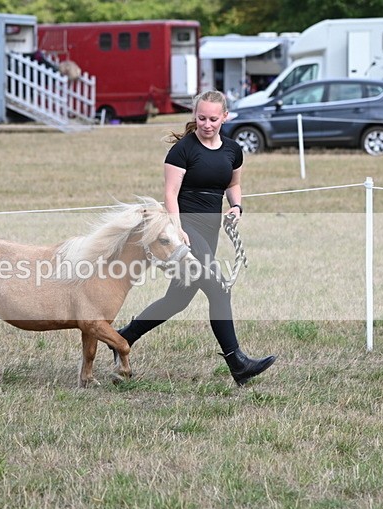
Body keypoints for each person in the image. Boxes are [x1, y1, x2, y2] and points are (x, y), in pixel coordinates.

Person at [112, 90, 276, 386]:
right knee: (219, 290)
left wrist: (236, 206)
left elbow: (233, 184)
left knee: (177, 300)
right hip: (186, 229)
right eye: (201, 118)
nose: (207, 124)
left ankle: (123, 337)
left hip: (210, 231)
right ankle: (237, 362)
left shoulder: (232, 150)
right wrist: (177, 229)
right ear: (194, 116)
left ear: (225, 117)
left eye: (213, 119)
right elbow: (170, 194)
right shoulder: (182, 150)